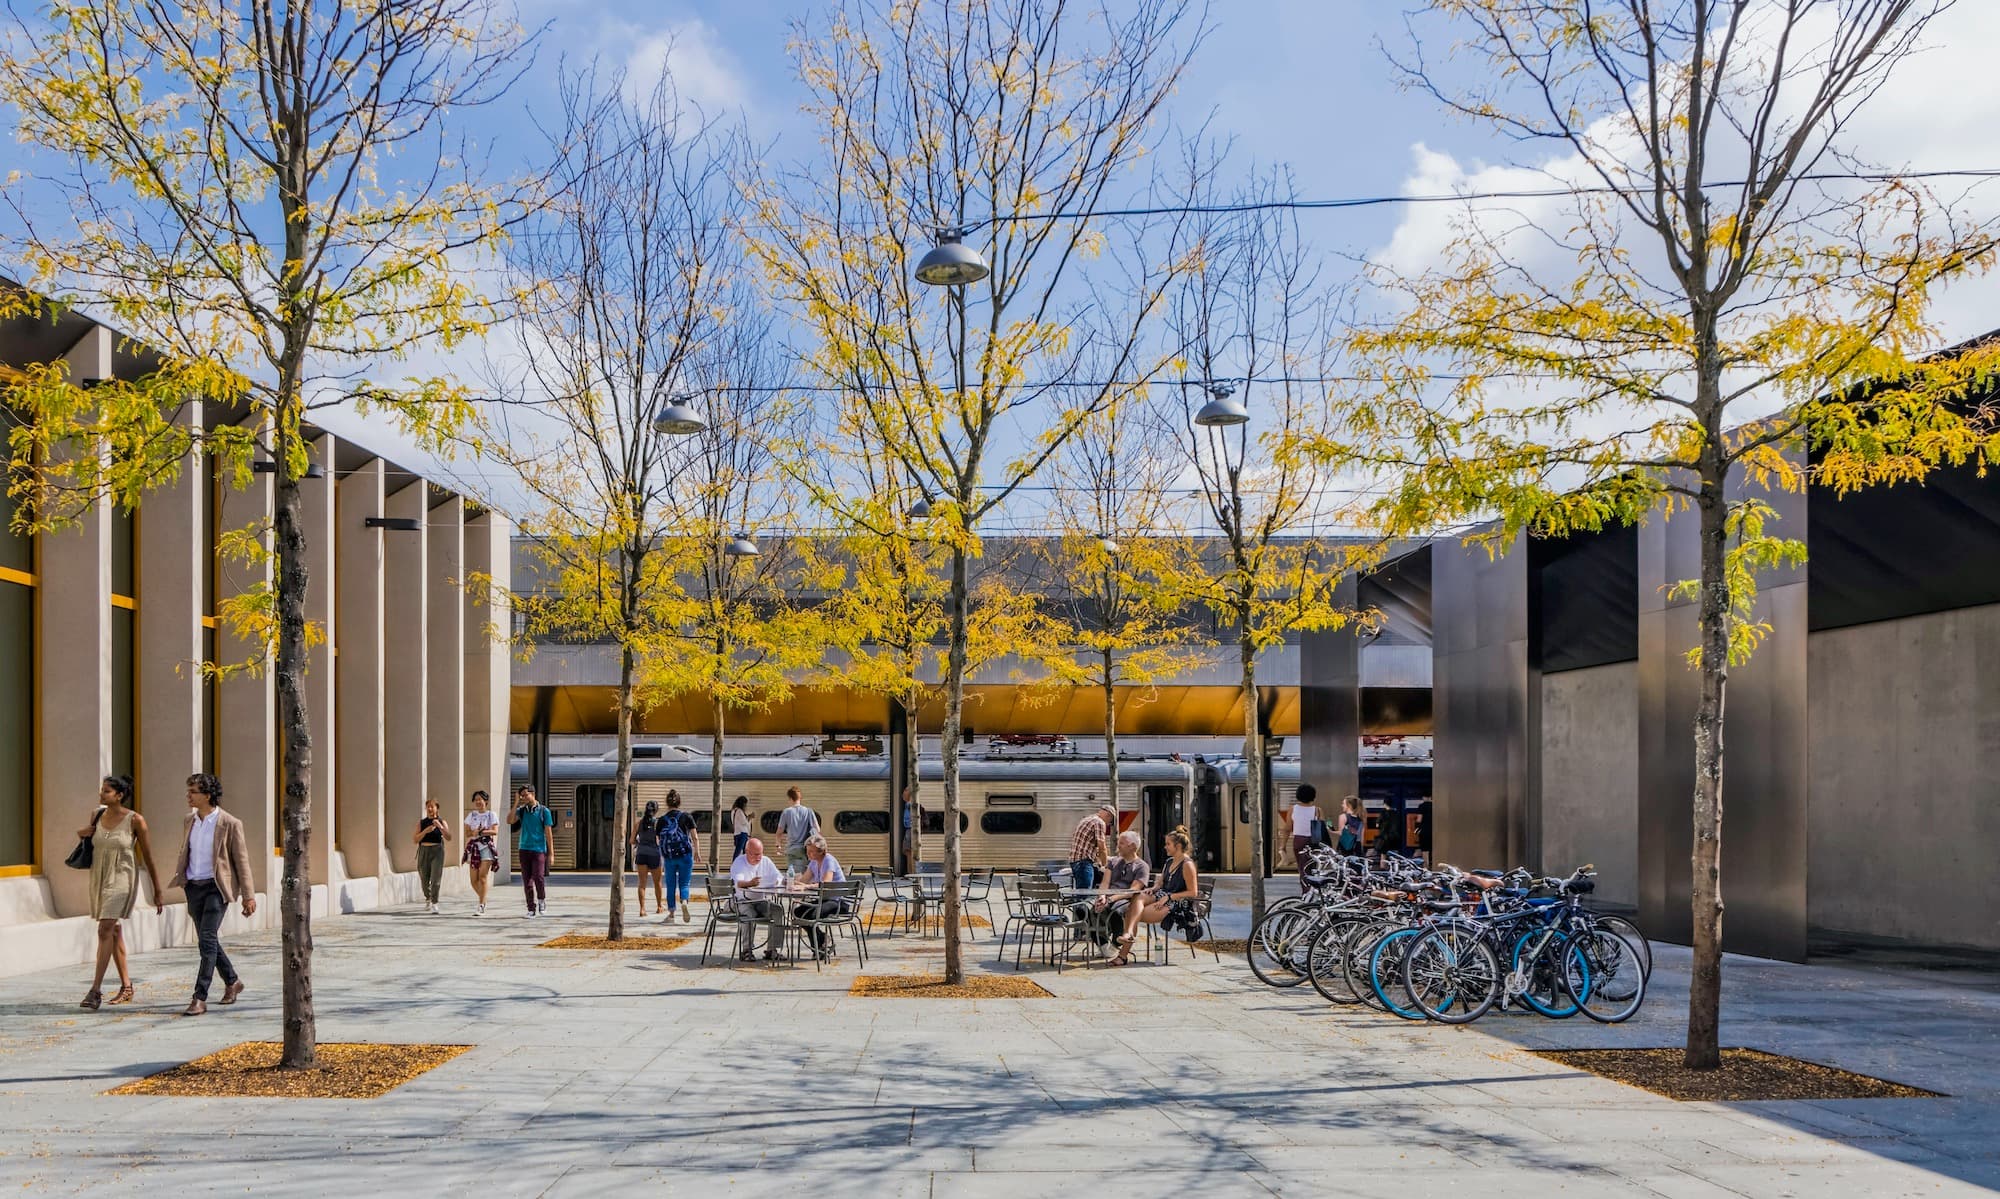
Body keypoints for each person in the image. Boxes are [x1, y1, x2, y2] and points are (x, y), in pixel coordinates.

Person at [169, 773, 254, 1017]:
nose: (188, 796)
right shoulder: (190, 820)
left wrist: (248, 896)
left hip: (217, 888)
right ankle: (233, 981)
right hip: (193, 886)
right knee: (209, 942)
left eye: (193, 792)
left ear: (208, 795)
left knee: (206, 940)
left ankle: (199, 997)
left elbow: (242, 861)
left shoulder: (230, 823)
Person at [79, 775, 164, 1010]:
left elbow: (148, 856)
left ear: (119, 795)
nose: (101, 794)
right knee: (113, 931)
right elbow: (90, 840)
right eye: (102, 790)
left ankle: (95, 990)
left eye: (106, 791)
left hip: (122, 878)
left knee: (104, 928)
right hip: (99, 876)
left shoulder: (135, 820)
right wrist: (81, 833)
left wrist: (157, 890)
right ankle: (127, 986)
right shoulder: (97, 815)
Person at [1115, 825, 1201, 957]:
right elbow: (1160, 883)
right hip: (1163, 894)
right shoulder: (1169, 862)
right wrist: (1153, 888)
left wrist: (1170, 897)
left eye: (1168, 844)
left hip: (1178, 902)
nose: (1165, 847)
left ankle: (1123, 953)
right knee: (1140, 896)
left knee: (1131, 913)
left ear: (1177, 846)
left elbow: (1193, 892)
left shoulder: (1187, 865)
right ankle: (1128, 936)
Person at [791, 834, 850, 960]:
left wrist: (806, 887)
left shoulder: (828, 860)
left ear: (821, 851)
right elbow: (804, 880)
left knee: (812, 916)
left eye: (811, 851)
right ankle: (821, 941)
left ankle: (818, 948)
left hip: (838, 901)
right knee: (798, 912)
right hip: (824, 900)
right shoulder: (813, 863)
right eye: (807, 851)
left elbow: (826, 883)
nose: (808, 854)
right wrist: (792, 882)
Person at [1097, 830, 1150, 966]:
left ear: (1132, 846)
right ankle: (1103, 945)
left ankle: (1115, 944)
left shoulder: (1142, 866)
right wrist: (1102, 895)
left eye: (1122, 843)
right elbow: (1105, 882)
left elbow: (1133, 890)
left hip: (1125, 900)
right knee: (1085, 909)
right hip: (1108, 897)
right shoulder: (1114, 862)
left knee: (1117, 910)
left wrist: (1111, 899)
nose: (1118, 846)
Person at [729, 837, 783, 962]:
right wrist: (750, 883)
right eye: (755, 854)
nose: (758, 857)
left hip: (759, 900)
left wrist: (778, 881)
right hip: (740, 900)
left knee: (777, 910)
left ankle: (772, 949)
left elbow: (779, 876)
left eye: (760, 853)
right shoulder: (739, 862)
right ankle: (746, 950)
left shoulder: (766, 861)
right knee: (749, 913)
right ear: (747, 852)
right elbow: (738, 883)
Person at [656, 791, 702, 925]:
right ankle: (684, 902)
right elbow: (695, 837)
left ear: (667, 803)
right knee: (685, 883)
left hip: (669, 857)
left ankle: (671, 914)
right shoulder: (687, 816)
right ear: (679, 802)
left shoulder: (662, 820)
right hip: (685, 855)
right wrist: (697, 851)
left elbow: (658, 840)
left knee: (670, 885)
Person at [510, 786, 556, 918]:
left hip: (539, 849)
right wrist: (516, 803)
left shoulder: (543, 811)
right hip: (523, 849)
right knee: (527, 881)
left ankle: (542, 900)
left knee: (538, 877)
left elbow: (548, 833)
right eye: (522, 796)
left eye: (525, 795)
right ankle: (531, 909)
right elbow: (509, 820)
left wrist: (551, 853)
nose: (524, 798)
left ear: (533, 794)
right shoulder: (522, 811)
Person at [463, 791, 499, 915]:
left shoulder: (491, 815)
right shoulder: (471, 815)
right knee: (473, 880)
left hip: (486, 847)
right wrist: (474, 833)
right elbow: (467, 832)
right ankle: (483, 898)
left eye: (480, 799)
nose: (478, 802)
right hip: (474, 848)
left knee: (482, 877)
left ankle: (481, 905)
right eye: (476, 800)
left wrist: (481, 832)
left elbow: (494, 831)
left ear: (486, 801)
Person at [413, 798, 451, 914]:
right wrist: (425, 831)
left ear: (437, 808)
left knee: (435, 879)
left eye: (432, 806)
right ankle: (428, 898)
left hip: (437, 851)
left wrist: (440, 826)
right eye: (428, 806)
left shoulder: (442, 821)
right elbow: (415, 839)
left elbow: (449, 837)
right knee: (424, 879)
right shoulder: (422, 823)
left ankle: (435, 902)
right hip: (424, 850)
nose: (430, 809)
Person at [1067, 802, 1115, 891]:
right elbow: (1102, 846)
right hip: (1083, 862)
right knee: (1085, 894)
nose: (1108, 824)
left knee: (1082, 891)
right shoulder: (1099, 822)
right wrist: (1105, 866)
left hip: (1076, 861)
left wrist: (1098, 860)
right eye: (1110, 821)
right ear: (1109, 816)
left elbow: (1090, 845)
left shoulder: (1087, 819)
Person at [631, 801, 665, 918]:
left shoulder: (638, 823)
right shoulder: (658, 824)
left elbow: (631, 841)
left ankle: (642, 909)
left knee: (642, 884)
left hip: (641, 854)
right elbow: (661, 840)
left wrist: (640, 844)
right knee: (657, 883)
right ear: (656, 811)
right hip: (655, 854)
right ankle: (659, 906)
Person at [776, 785, 819, 870]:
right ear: (800, 798)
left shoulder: (786, 812)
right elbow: (817, 829)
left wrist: (778, 845)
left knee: (792, 875)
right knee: (805, 874)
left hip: (791, 849)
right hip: (805, 849)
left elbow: (779, 832)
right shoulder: (808, 811)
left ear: (790, 798)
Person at [1282, 783, 1321, 868]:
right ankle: (1312, 880)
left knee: (1301, 865)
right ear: (1313, 796)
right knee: (1313, 865)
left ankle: (1303, 880)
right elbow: (1322, 827)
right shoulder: (1317, 810)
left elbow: (1287, 829)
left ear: (1298, 796)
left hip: (1299, 840)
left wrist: (1283, 845)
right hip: (1313, 841)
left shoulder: (1292, 809)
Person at [899, 786, 923, 870]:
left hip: (911, 830)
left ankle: (912, 873)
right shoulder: (907, 804)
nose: (903, 793)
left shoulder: (911, 805)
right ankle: (910, 873)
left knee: (909, 851)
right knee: (907, 851)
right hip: (909, 830)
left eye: (905, 790)